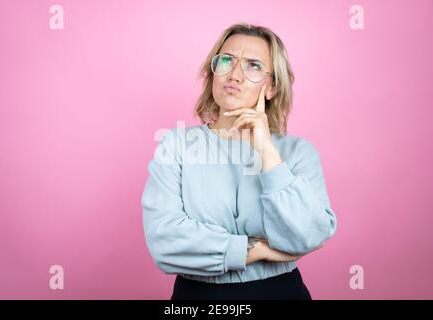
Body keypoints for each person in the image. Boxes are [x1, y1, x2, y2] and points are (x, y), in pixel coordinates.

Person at [141, 22, 337, 300]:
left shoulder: (299, 153)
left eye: (254, 65)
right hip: (197, 298)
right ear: (212, 72)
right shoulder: (175, 145)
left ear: (271, 88)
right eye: (226, 61)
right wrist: (259, 250)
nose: (235, 75)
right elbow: (165, 242)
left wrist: (267, 152)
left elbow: (309, 235)